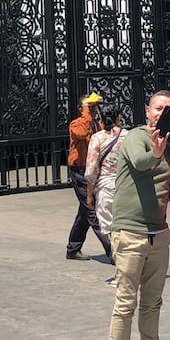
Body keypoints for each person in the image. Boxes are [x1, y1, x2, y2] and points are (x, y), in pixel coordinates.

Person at [108, 90, 170, 340]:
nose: (161, 113)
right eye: (158, 108)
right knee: (126, 303)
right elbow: (139, 162)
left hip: (158, 235)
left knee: (152, 303)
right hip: (130, 233)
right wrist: (156, 153)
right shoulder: (136, 136)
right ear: (148, 111)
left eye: (168, 110)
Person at [66, 92, 111, 261]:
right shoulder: (77, 123)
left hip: (93, 169)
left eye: (95, 107)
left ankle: (73, 248)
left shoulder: (97, 125)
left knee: (85, 211)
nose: (93, 110)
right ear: (81, 109)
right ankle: (112, 250)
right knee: (92, 210)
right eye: (89, 107)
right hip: (80, 170)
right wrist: (87, 115)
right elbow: (80, 133)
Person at [85, 104, 128, 245]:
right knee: (127, 226)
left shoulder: (97, 138)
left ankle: (118, 255)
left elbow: (92, 170)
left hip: (106, 187)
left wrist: (89, 194)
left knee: (111, 228)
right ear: (119, 117)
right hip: (126, 186)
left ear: (101, 120)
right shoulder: (128, 136)